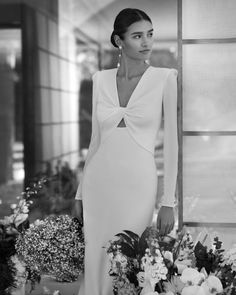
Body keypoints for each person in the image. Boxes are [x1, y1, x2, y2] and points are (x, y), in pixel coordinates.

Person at [74, 8, 178, 295]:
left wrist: (168, 200)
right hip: (99, 181)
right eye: (137, 36)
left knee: (131, 255)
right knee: (96, 253)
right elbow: (95, 141)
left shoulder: (164, 78)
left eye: (150, 34)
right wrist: (80, 192)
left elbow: (171, 143)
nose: (146, 42)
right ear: (119, 41)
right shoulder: (99, 80)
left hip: (138, 182)